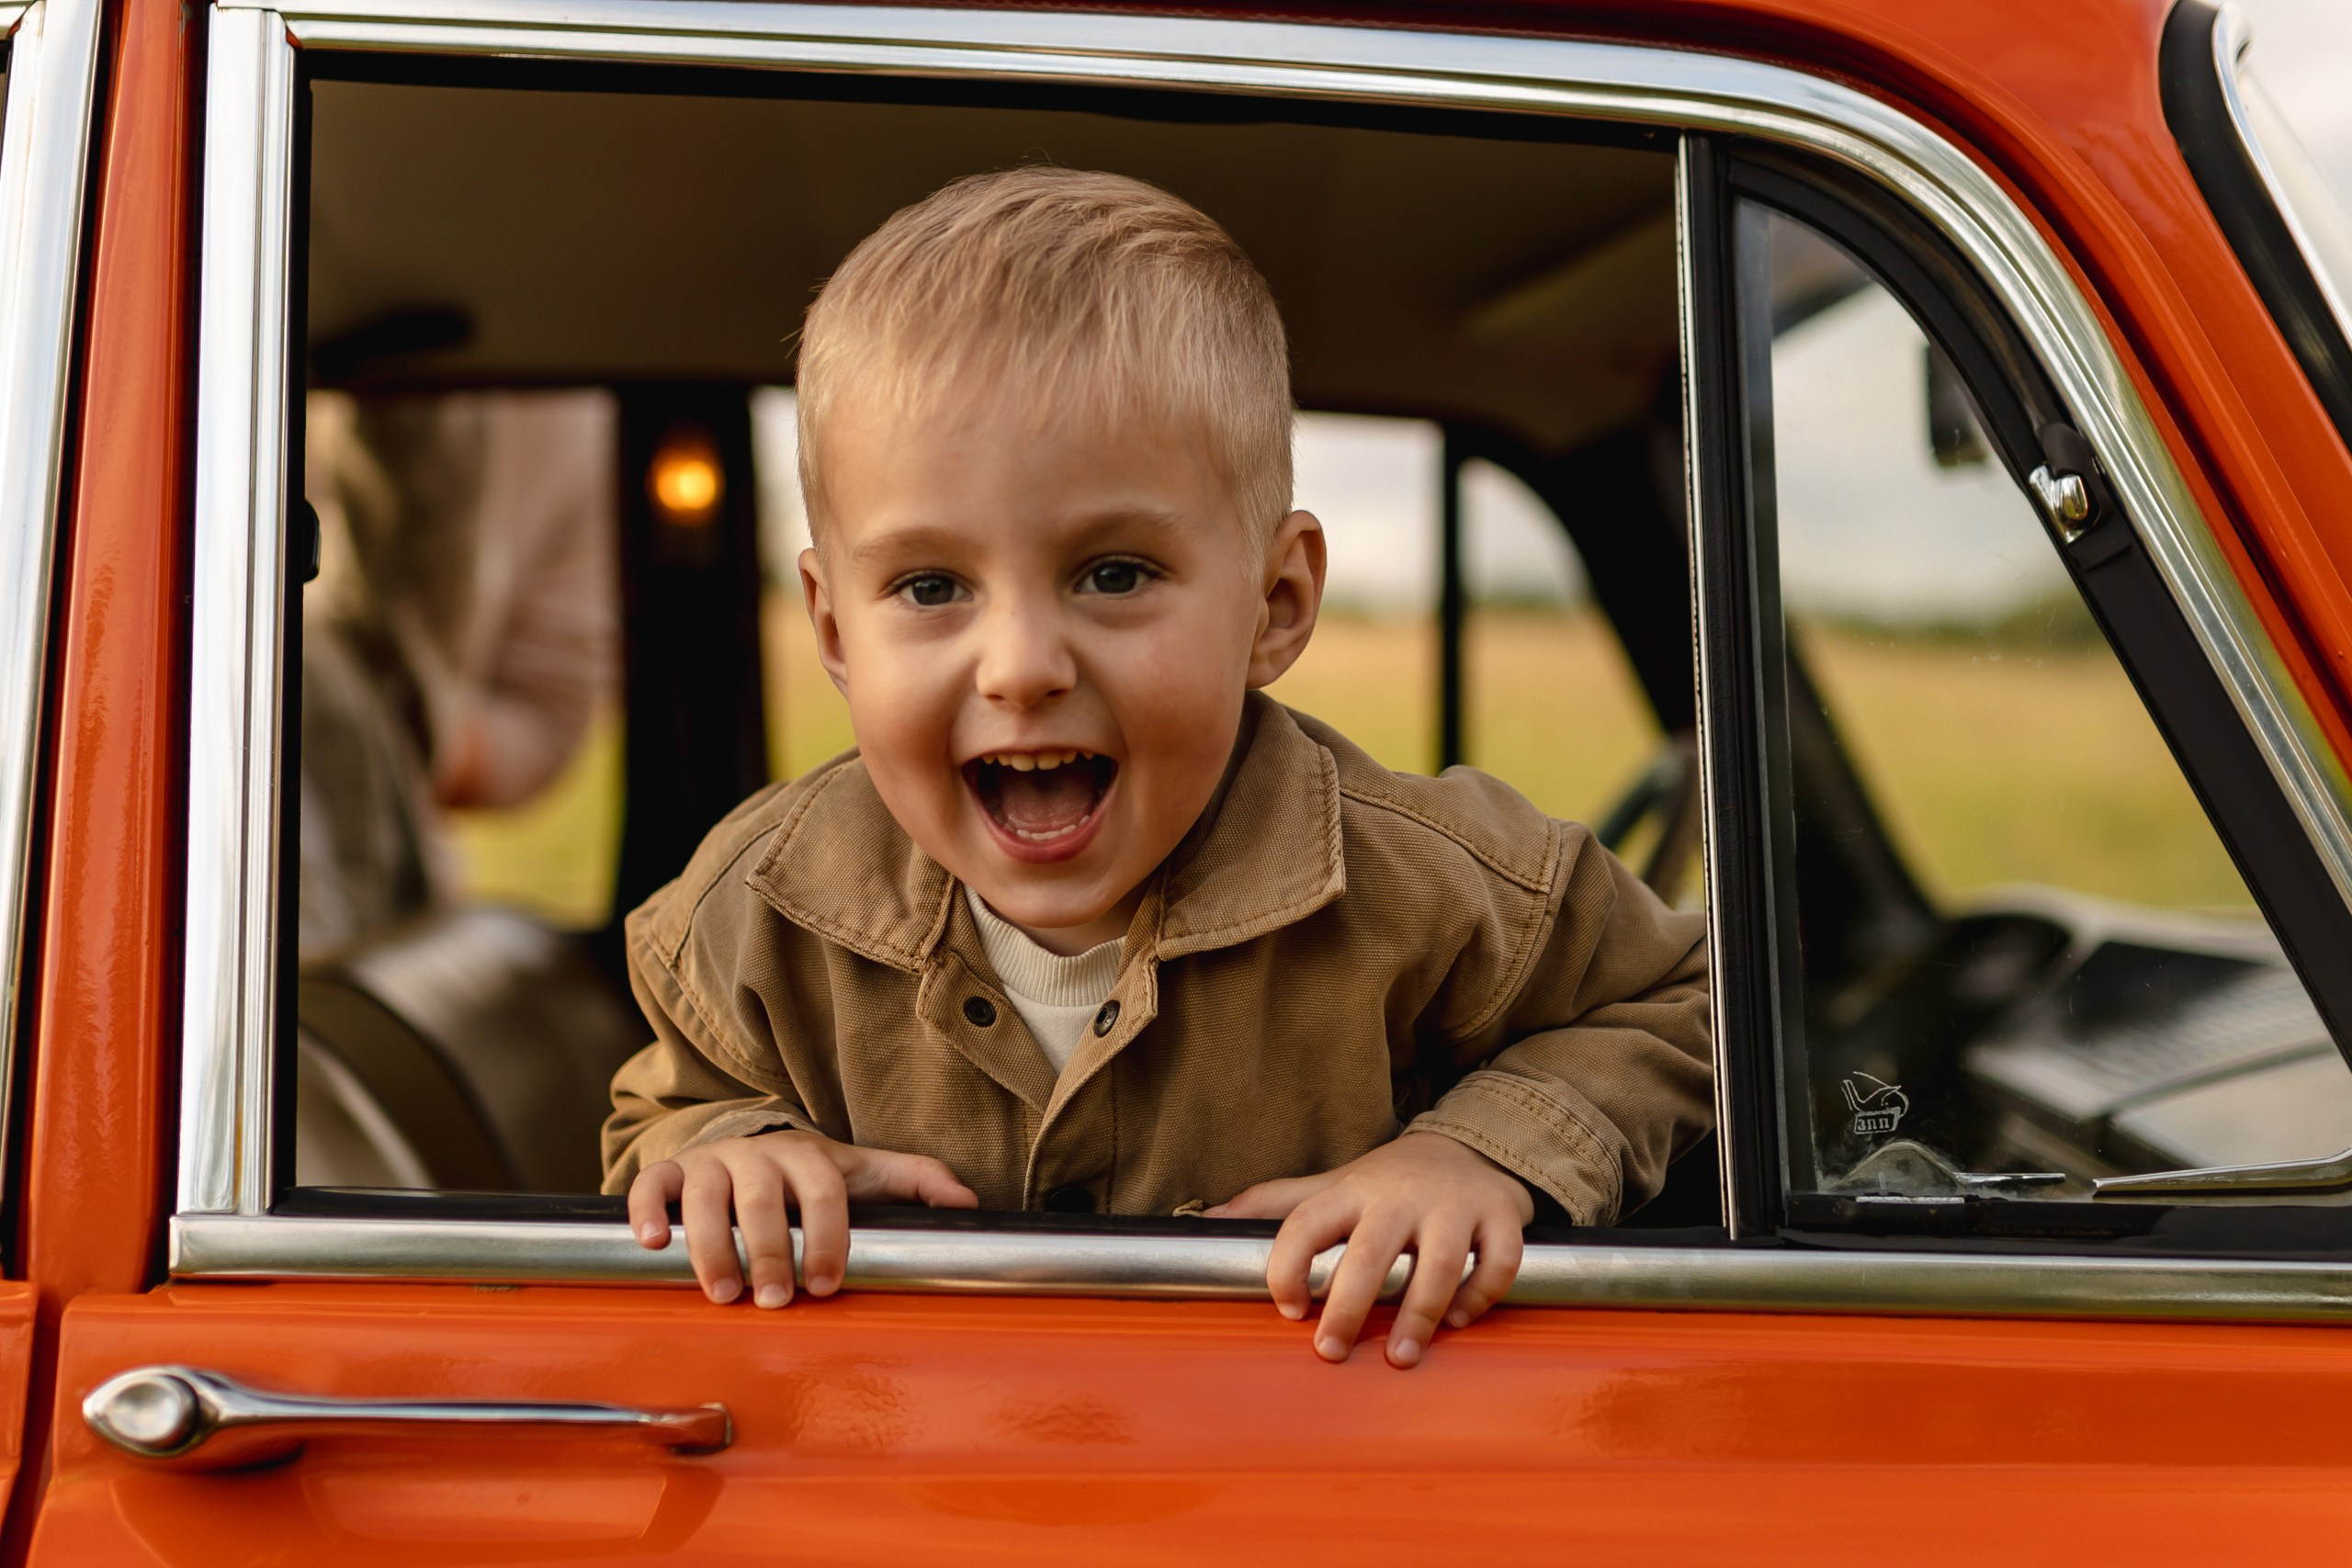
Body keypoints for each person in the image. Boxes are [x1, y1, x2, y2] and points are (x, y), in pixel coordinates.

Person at [603, 167, 1713, 1368]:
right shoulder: (750, 913)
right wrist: (730, 1147)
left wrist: (1475, 1152)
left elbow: (1683, 1006)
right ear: (832, 631)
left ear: (1277, 604)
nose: (1020, 668)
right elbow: (663, 1107)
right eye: (931, 587)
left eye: (1114, 573)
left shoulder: (1425, 881)